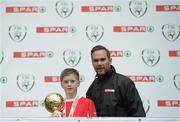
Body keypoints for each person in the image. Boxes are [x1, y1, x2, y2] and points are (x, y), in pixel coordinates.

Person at [86, 45, 146, 117]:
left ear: (110, 61)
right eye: (96, 60)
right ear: (92, 62)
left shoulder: (124, 83)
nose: (99, 63)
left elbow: (138, 115)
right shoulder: (92, 87)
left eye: (102, 59)